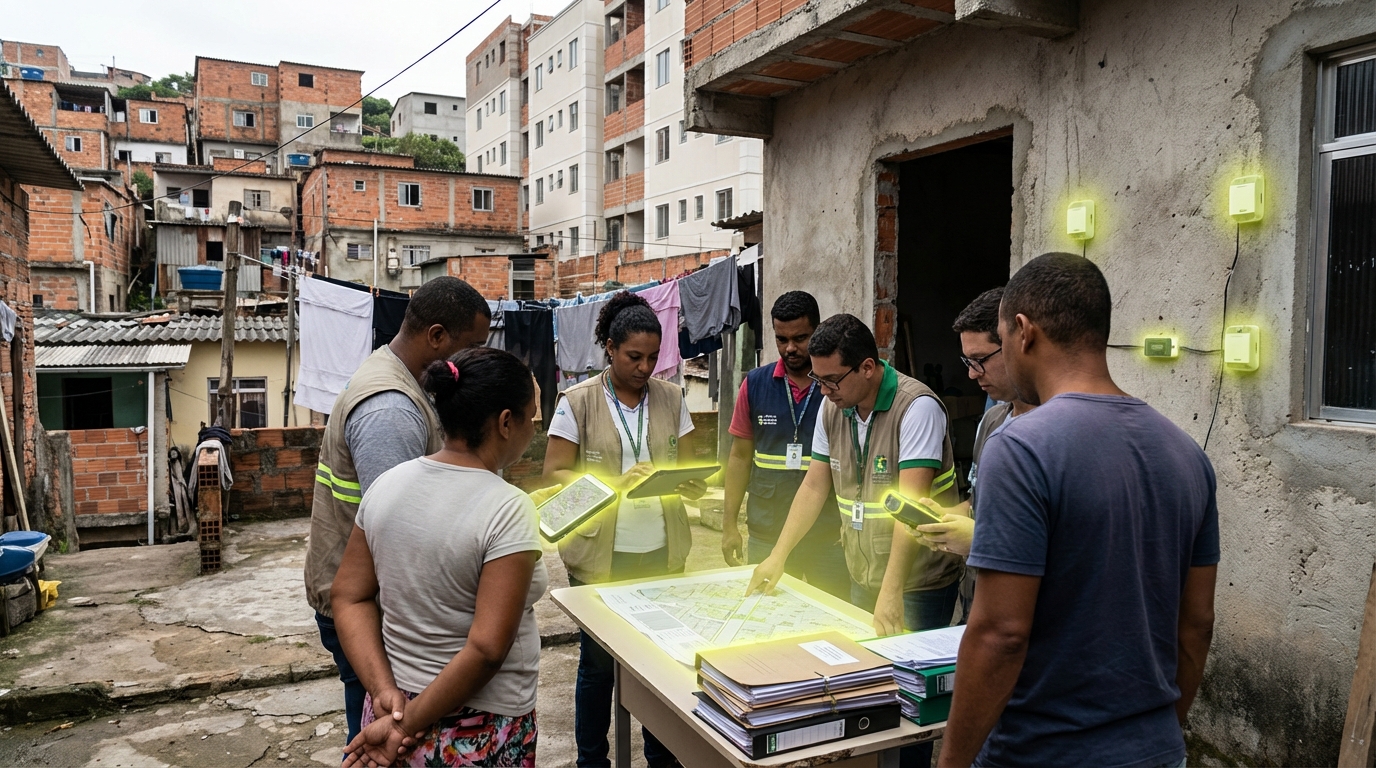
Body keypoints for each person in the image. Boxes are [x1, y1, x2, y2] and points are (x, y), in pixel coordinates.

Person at [938, 253, 1218, 768]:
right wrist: (1159, 735)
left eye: (996, 343)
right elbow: (1197, 623)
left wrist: (951, 762)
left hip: (1042, 750)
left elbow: (1001, 634)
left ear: (1023, 332)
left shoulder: (1020, 448)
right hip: (1156, 750)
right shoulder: (1187, 454)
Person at [746, 314, 963, 768]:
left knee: (911, 700)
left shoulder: (916, 407)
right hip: (862, 568)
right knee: (865, 687)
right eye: (819, 380)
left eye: (831, 380)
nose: (823, 390)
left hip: (917, 580)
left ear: (867, 367)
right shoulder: (834, 406)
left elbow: (909, 504)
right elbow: (813, 486)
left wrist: (891, 593)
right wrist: (777, 556)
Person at [333, 347, 547, 767]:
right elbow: (485, 650)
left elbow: (348, 596)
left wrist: (383, 694)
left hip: (392, 708)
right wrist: (405, 724)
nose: (534, 431)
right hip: (474, 726)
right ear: (506, 422)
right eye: (532, 418)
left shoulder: (388, 486)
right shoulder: (507, 507)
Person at [303, 277, 492, 745]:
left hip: (365, 597)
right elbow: (405, 534)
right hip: (369, 607)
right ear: (436, 337)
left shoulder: (402, 379)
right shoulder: (391, 410)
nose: (471, 362)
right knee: (381, 734)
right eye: (470, 347)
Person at [542, 291, 705, 768]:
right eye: (634, 356)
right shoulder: (578, 401)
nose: (645, 367)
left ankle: (661, 756)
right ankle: (592, 761)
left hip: (661, 551)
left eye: (653, 357)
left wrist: (690, 483)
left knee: (659, 667)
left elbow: (690, 465)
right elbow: (554, 477)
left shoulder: (672, 398)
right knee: (598, 669)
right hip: (599, 558)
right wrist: (613, 484)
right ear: (610, 348)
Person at [905, 287, 1034, 620]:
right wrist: (946, 520)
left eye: (980, 361)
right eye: (967, 361)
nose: (971, 374)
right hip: (976, 604)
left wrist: (978, 541)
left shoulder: (1060, 431)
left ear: (1020, 340)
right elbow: (980, 505)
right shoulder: (993, 419)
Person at [722, 290, 848, 599]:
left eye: (800, 338)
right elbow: (739, 458)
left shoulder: (839, 387)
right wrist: (728, 527)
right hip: (767, 532)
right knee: (764, 619)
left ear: (817, 332)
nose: (790, 348)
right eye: (781, 339)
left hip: (829, 536)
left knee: (832, 622)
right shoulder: (755, 384)